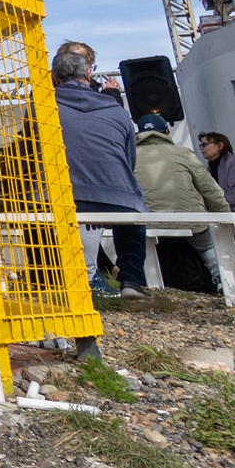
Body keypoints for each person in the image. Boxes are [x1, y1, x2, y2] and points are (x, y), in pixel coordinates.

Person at [53, 46, 148, 298]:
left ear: (54, 77)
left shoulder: (44, 108)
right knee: (133, 206)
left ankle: (63, 282)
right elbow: (129, 159)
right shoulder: (116, 110)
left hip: (66, 194)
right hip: (118, 195)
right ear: (88, 74)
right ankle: (132, 281)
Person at [131, 114, 231, 289]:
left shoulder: (130, 157)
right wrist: (225, 216)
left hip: (150, 222)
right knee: (208, 246)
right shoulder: (183, 153)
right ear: (167, 131)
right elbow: (209, 189)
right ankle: (225, 281)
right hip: (190, 219)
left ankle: (150, 287)